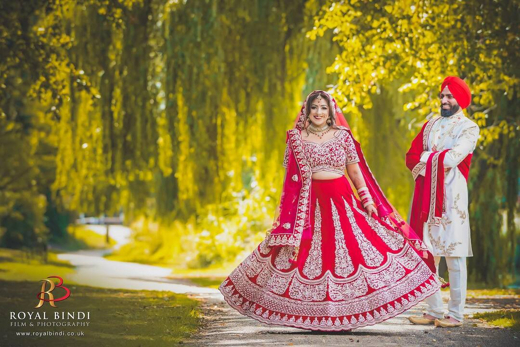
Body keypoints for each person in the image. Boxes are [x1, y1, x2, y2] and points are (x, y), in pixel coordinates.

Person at [219, 90, 440, 331]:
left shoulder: (342, 136)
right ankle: (310, 315)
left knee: (349, 253)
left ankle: (346, 314)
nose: (318, 112)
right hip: (309, 204)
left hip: (341, 201)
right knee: (310, 257)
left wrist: (366, 199)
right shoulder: (296, 138)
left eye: (323, 108)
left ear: (331, 112)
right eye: (314, 107)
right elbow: (290, 178)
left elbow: (355, 171)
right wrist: (288, 212)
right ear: (307, 110)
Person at [406, 77, 480, 328]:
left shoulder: (469, 128)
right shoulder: (431, 125)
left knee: (454, 255)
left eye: (450, 96)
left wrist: (427, 156)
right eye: (442, 96)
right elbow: (411, 155)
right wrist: (432, 157)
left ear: (461, 100)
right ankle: (434, 310)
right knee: (429, 252)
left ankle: (456, 315)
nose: (445, 100)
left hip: (453, 198)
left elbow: (455, 158)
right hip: (428, 195)